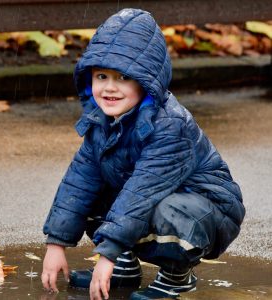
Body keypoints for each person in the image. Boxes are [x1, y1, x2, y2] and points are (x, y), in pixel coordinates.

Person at [41, 8, 245, 300]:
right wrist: (56, 244)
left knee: (166, 209)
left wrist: (106, 255)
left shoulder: (171, 126)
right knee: (92, 192)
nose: (110, 87)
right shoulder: (102, 122)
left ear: (147, 81)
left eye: (123, 77)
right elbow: (79, 181)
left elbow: (143, 191)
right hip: (152, 199)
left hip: (207, 211)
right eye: (101, 76)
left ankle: (177, 277)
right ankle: (124, 265)